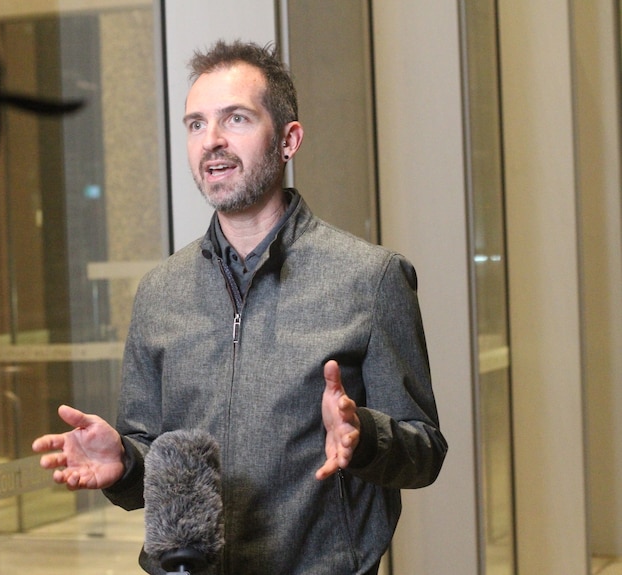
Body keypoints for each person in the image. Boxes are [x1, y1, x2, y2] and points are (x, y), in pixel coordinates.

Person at [32, 39, 447, 575]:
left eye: (237, 119)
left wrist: (363, 434)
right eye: (196, 124)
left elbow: (425, 451)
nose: (213, 141)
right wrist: (124, 463)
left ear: (288, 139)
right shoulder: (161, 291)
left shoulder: (370, 279)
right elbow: (152, 455)